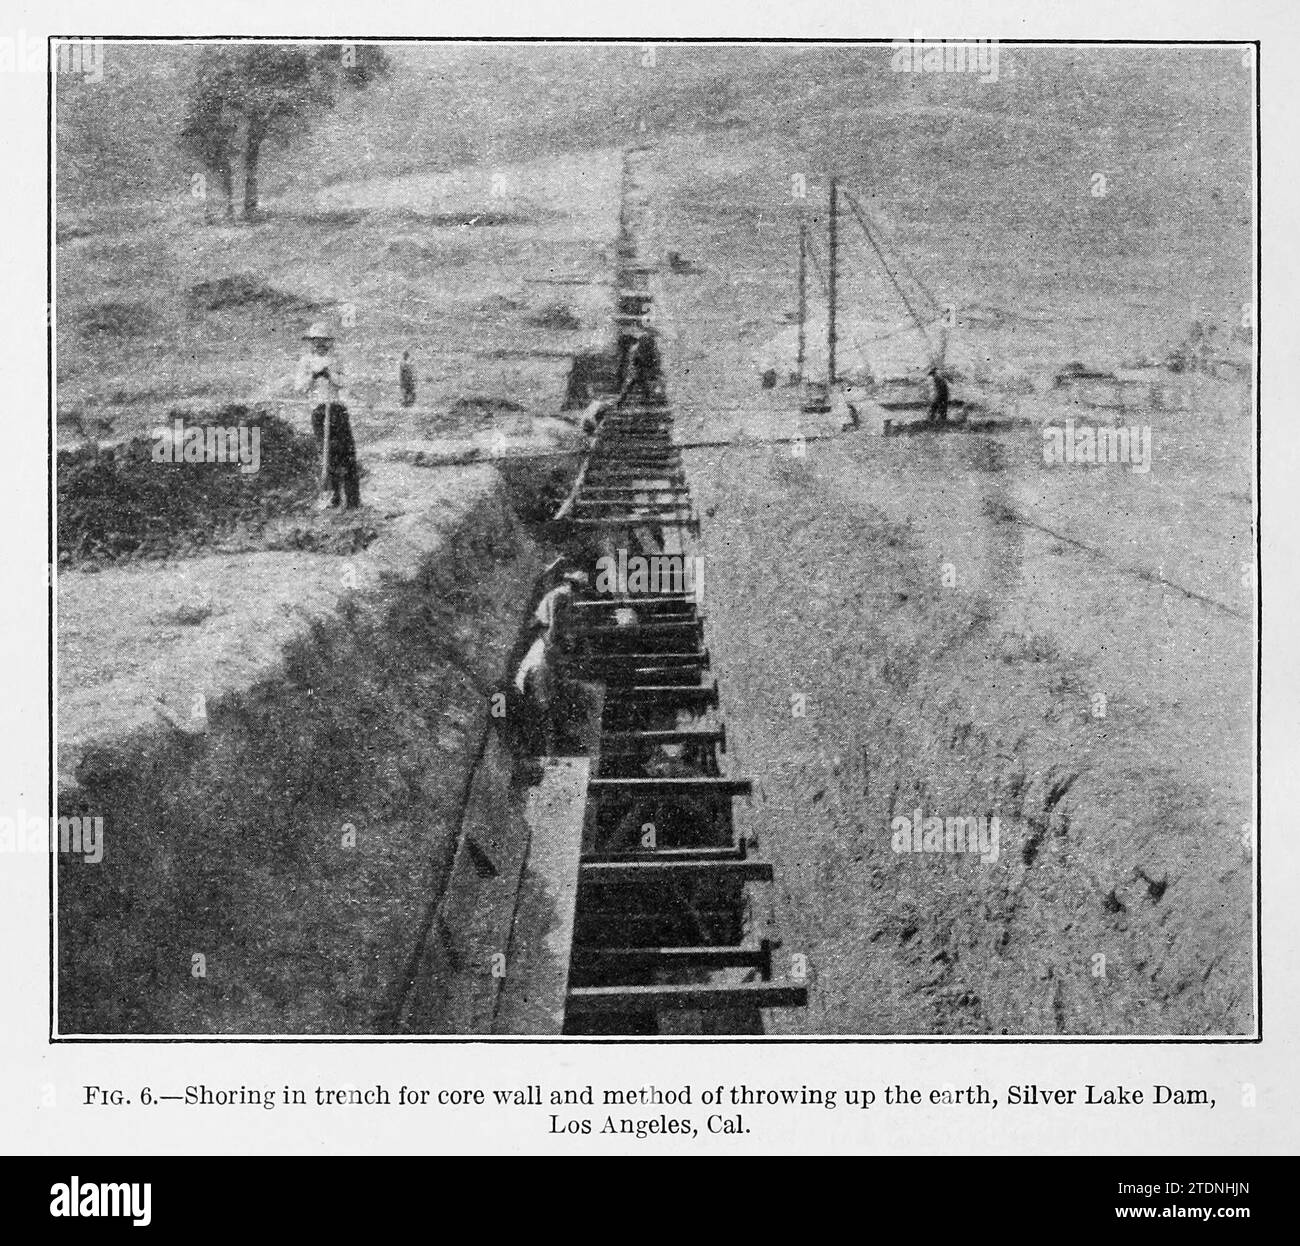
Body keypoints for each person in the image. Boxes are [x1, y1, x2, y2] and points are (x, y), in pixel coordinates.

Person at [295, 322, 362, 509]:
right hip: (318, 410)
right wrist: (314, 377)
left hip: (337, 409)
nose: (320, 344)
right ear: (311, 342)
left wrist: (330, 375)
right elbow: (299, 387)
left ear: (329, 342)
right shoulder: (305, 362)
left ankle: (353, 502)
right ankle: (333, 500)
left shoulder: (336, 359)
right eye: (316, 341)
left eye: (324, 341)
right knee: (327, 456)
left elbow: (345, 382)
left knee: (347, 454)